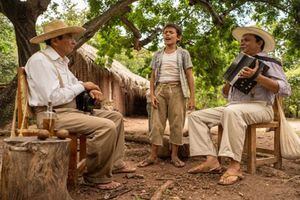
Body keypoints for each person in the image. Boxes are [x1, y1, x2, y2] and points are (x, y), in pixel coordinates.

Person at [25, 20, 136, 190]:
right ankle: (96, 176)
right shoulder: (40, 61)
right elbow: (51, 97)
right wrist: (83, 86)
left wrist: (87, 90)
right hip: (51, 115)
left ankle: (115, 163)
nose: (74, 41)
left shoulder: (61, 61)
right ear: (55, 40)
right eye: (69, 37)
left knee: (115, 117)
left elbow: (75, 83)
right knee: (106, 127)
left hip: (70, 112)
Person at [187, 26, 291, 185]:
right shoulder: (239, 62)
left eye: (247, 40)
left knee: (231, 112)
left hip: (261, 107)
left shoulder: (270, 62)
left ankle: (235, 166)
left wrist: (257, 76)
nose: (242, 43)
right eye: (241, 40)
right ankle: (211, 160)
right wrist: (230, 83)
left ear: (259, 43)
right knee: (196, 117)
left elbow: (285, 89)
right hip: (234, 106)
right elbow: (225, 93)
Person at [138, 23, 195, 168]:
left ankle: (174, 156)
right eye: (165, 33)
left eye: (171, 32)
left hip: (178, 90)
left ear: (178, 37)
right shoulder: (158, 54)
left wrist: (192, 97)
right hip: (160, 90)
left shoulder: (183, 54)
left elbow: (189, 75)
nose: (167, 35)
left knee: (177, 123)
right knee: (156, 124)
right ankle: (152, 156)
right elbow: (153, 76)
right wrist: (152, 94)